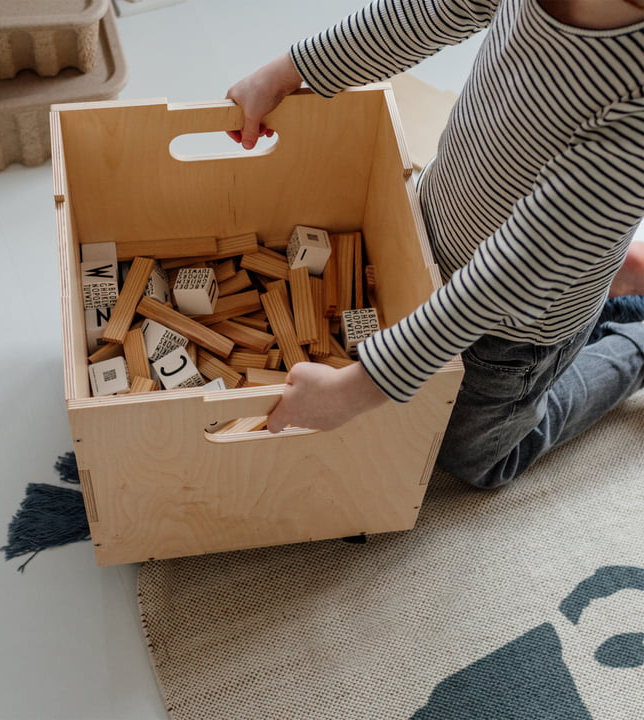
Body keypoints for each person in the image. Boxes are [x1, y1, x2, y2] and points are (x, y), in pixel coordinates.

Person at [225, 0, 644, 488]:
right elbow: (428, 12)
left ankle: (634, 345)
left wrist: (359, 388)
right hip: (450, 217)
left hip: (514, 329)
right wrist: (290, 70)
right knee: (569, 234)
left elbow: (515, 272)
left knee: (476, 458)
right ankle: (615, 264)